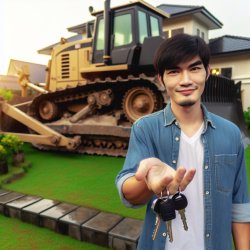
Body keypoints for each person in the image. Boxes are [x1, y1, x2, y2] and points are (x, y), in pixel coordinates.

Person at [116, 33, 250, 250]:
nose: (185, 80)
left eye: (194, 68)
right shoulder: (145, 129)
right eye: (174, 71)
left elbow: (240, 206)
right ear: (161, 79)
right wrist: (148, 183)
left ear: (207, 73)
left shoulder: (231, 134)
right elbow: (128, 192)